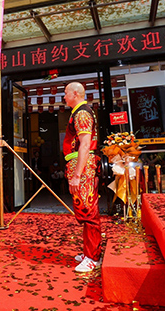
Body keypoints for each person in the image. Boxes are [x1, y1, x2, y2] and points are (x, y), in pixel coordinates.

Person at [63, 82, 102, 273]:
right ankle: (89, 252)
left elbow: (85, 145)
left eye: (66, 93)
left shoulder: (82, 113)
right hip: (80, 166)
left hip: (84, 168)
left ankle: (93, 256)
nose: (64, 97)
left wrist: (77, 175)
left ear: (75, 94)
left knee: (88, 210)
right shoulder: (78, 113)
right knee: (84, 208)